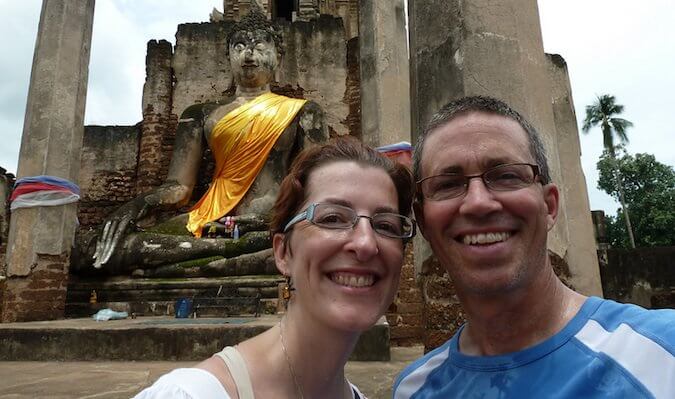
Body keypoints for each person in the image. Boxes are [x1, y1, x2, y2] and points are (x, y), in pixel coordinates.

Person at [394, 96, 675, 398]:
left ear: (549, 206)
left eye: (506, 176)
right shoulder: (414, 389)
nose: (477, 203)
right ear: (423, 223)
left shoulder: (660, 354)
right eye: (448, 184)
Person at [134, 137, 415, 398]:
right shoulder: (192, 394)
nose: (366, 243)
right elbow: (178, 186)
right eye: (332, 218)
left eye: (385, 225)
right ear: (282, 252)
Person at [86, 9, 327, 272]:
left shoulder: (303, 111)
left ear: (278, 55)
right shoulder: (201, 114)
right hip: (210, 216)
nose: (248, 54)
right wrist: (135, 206)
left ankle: (214, 257)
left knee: (308, 239)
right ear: (228, 55)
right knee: (100, 248)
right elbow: (179, 187)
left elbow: (317, 183)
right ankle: (234, 252)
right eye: (240, 47)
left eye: (259, 47)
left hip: (273, 218)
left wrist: (268, 219)